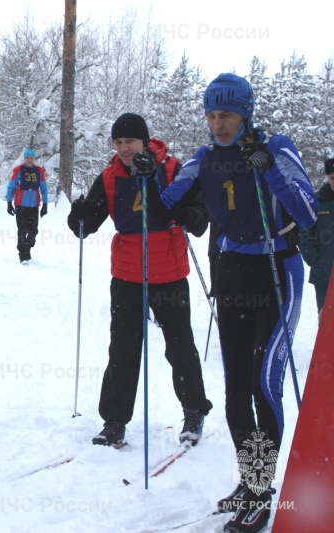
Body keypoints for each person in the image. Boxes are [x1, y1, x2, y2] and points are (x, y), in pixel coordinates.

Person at [159, 74, 318, 533]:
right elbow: (163, 204)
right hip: (232, 273)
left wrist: (269, 166)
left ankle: (262, 492)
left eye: (226, 113)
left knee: (265, 386)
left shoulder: (278, 146)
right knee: (234, 394)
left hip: (277, 271)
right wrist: (147, 176)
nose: (218, 123)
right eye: (211, 114)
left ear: (245, 112)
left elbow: (307, 212)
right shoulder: (205, 157)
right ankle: (251, 482)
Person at [67, 112, 213, 450]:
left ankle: (194, 410)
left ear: (144, 141)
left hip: (169, 273)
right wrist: (79, 218)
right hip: (127, 275)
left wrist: (186, 214)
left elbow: (201, 215)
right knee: (122, 349)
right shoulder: (109, 176)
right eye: (118, 142)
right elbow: (90, 220)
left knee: (179, 347)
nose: (123, 148)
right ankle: (114, 421)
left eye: (129, 141)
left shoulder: (172, 168)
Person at [299, 157, 334, 315]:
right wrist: (316, 261)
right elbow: (304, 235)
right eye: (333, 178)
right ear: (327, 178)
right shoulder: (316, 201)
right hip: (324, 277)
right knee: (327, 322)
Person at [6, 148, 48, 263]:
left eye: (31, 158)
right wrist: (9, 203)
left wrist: (45, 205)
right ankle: (23, 255)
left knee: (33, 231)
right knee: (22, 230)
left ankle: (27, 249)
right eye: (27, 158)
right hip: (21, 204)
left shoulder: (39, 171)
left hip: (34, 204)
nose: (29, 160)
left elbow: (44, 188)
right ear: (24, 159)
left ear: (34, 159)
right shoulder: (18, 170)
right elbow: (11, 187)